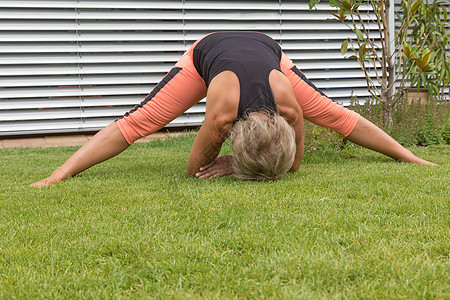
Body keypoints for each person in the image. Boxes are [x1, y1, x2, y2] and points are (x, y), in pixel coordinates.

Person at [30, 31, 437, 187]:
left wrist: (410, 157)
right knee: (144, 118)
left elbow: (346, 123)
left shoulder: (291, 109)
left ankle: (408, 154)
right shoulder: (222, 113)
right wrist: (58, 174)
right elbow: (193, 170)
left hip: (269, 53)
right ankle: (61, 171)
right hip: (206, 56)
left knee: (331, 111)